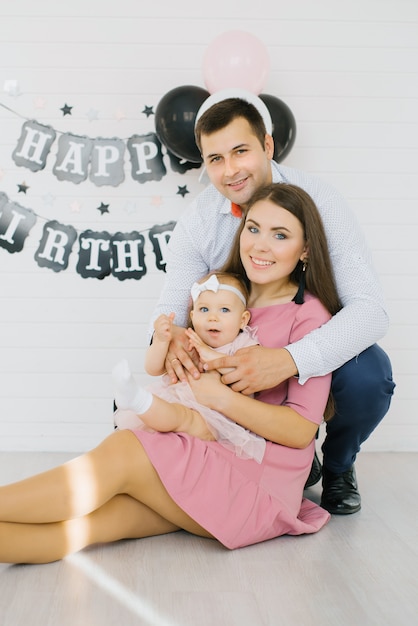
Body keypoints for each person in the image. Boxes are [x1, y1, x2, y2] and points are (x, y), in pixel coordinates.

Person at [1, 183, 339, 564]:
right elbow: (167, 340)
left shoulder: (308, 316)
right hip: (203, 449)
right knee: (90, 526)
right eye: (254, 228)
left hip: (258, 480)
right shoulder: (218, 293)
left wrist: (221, 398)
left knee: (125, 450)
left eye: (280, 235)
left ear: (306, 249)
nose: (260, 245)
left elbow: (299, 431)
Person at [151, 92, 395, 515]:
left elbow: (371, 310)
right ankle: (219, 462)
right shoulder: (200, 220)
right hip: (238, 340)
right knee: (168, 373)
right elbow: (172, 303)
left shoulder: (320, 201)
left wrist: (289, 359)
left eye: (240, 151)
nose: (230, 171)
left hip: (307, 338)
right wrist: (169, 336)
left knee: (368, 375)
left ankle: (336, 465)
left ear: (267, 145)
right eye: (215, 159)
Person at [112, 271, 265, 462]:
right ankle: (137, 400)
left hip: (214, 419)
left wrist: (212, 356)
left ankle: (140, 402)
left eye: (224, 310)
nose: (213, 317)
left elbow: (245, 376)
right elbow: (153, 368)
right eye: (204, 310)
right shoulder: (188, 340)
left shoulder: (243, 344)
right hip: (174, 403)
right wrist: (160, 340)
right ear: (192, 315)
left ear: (243, 319)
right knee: (157, 428)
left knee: (182, 417)